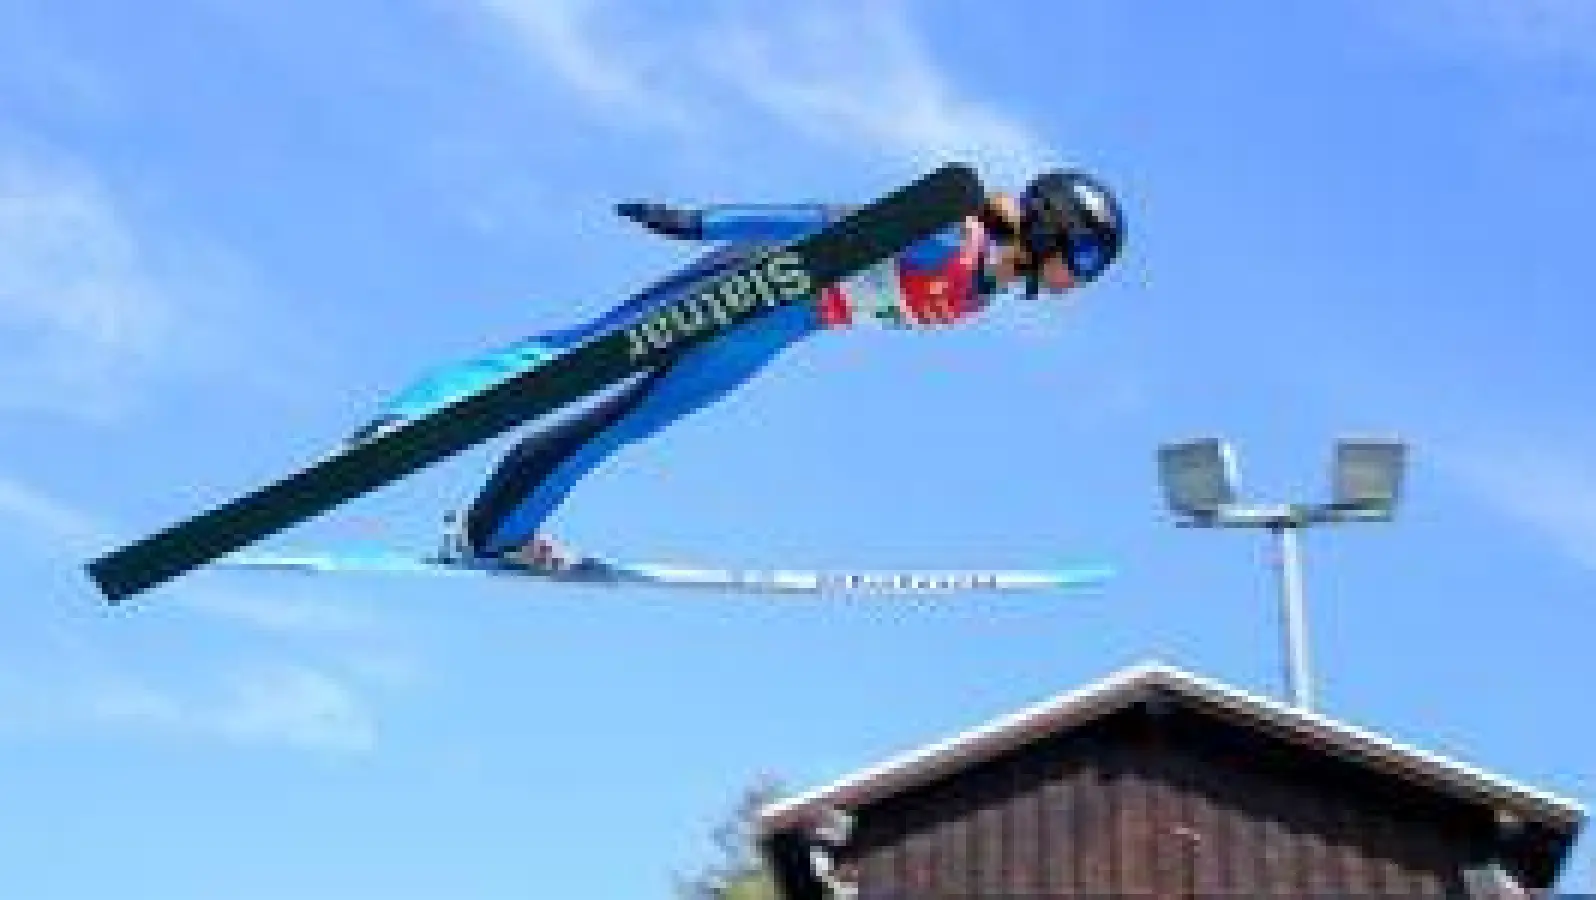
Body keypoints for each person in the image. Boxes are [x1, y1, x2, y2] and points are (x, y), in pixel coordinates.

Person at [350, 170, 1126, 570]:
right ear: (1054, 229)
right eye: (1086, 258)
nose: (1082, 279)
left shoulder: (981, 287)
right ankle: (408, 418)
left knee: (622, 425)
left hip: (779, 331)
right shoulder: (945, 241)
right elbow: (823, 224)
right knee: (581, 355)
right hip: (759, 280)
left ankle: (494, 532)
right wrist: (700, 225)